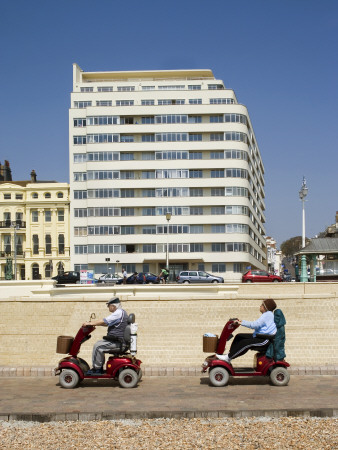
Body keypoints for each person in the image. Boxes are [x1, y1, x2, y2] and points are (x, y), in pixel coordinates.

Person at [216, 298, 277, 364]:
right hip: (260, 336)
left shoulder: (267, 315)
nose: (260, 306)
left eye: (262, 305)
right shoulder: (267, 315)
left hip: (265, 340)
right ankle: (230, 355)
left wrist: (241, 323)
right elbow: (256, 324)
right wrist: (241, 321)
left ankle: (228, 357)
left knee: (245, 343)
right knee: (239, 336)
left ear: (266, 307)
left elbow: (255, 325)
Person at [82, 297, 129, 375]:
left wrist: (89, 323)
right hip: (118, 340)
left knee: (97, 346)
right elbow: (106, 323)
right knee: (99, 343)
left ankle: (97, 369)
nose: (108, 307)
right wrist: (95, 324)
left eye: (109, 306)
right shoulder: (121, 312)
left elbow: (104, 320)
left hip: (118, 342)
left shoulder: (118, 313)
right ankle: (99, 367)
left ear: (113, 306)